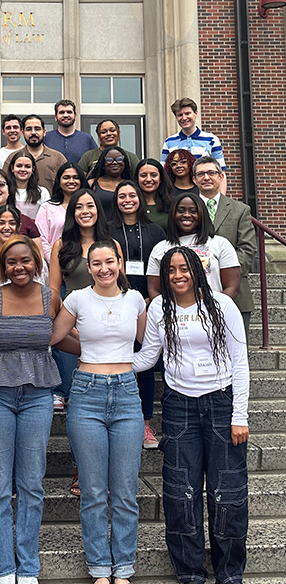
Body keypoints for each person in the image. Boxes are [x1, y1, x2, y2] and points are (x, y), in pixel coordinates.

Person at [133, 246, 249, 584]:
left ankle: (229, 573)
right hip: (179, 405)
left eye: (184, 268)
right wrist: (106, 360)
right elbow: (147, 358)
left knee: (227, 492)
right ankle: (190, 573)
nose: (178, 275)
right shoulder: (159, 308)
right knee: (179, 492)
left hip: (221, 403)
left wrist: (239, 414)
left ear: (197, 270)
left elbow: (239, 361)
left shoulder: (221, 304)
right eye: (171, 270)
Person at [0, 235, 72, 584]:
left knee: (32, 483)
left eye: (26, 261)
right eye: (12, 262)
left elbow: (64, 338)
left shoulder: (52, 298)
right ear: (4, 265)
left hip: (37, 397)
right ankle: (3, 568)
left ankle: (28, 566)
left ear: (37, 263)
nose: (20, 267)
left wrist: (106, 346)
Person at [50, 240, 147, 584]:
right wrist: (88, 349)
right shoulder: (77, 298)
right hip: (87, 393)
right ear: (88, 267)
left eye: (109, 261)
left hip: (126, 393)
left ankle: (123, 568)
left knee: (124, 491)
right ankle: (99, 569)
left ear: (120, 262)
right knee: (92, 491)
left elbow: (145, 341)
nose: (103, 268)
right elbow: (55, 336)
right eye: (96, 263)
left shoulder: (135, 299)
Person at [49, 189, 120, 442]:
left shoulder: (112, 245)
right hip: (72, 326)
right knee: (76, 397)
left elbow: (119, 291)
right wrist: (69, 327)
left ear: (98, 210)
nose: (85, 211)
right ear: (72, 213)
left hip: (106, 326)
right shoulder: (61, 245)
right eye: (79, 207)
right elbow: (54, 292)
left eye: (90, 206)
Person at [108, 181, 166, 448]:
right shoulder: (108, 230)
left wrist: (150, 298)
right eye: (122, 196)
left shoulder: (156, 231)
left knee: (144, 363)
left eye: (132, 195)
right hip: (116, 301)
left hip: (149, 302)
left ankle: (144, 425)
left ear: (140, 199)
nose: (127, 199)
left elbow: (161, 269)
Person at [194, 156, 257, 332]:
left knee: (235, 352)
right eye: (201, 174)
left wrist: (225, 274)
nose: (206, 177)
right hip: (192, 294)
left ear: (221, 176)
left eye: (211, 173)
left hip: (235, 295)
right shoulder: (185, 208)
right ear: (194, 179)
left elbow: (248, 248)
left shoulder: (240, 210)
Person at [147, 192, 240, 300]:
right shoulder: (160, 248)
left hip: (212, 312)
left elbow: (232, 287)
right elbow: (153, 289)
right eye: (180, 211)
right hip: (173, 314)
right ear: (172, 214)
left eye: (193, 211)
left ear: (202, 214)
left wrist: (214, 310)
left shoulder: (220, 244)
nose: (186, 215)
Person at [160, 98, 227, 196]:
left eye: (187, 113)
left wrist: (221, 200)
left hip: (205, 192)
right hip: (177, 193)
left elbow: (221, 173)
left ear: (195, 113)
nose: (184, 118)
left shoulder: (211, 139)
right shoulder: (169, 142)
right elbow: (164, 173)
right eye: (180, 115)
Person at [35, 162, 88, 263]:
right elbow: (42, 239)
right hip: (55, 262)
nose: (71, 181)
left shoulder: (89, 207)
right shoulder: (47, 207)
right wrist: (55, 262)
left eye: (76, 177)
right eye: (66, 177)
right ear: (59, 182)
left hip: (85, 264)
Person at [2, 115, 66, 192]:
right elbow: (4, 183)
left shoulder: (57, 157)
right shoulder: (13, 157)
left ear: (44, 132)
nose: (33, 132)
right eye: (29, 129)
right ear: (22, 132)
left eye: (37, 129)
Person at [88, 146, 132, 219]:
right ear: (103, 163)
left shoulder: (132, 185)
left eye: (119, 159)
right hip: (101, 229)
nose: (115, 162)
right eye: (109, 160)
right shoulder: (92, 184)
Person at [7, 150, 50, 220]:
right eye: (19, 166)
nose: (23, 169)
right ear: (12, 168)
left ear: (33, 169)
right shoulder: (5, 191)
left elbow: (46, 219)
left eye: (27, 166)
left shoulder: (42, 192)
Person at [135, 158, 174, 232]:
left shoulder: (172, 205)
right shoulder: (131, 204)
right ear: (137, 179)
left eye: (153, 175)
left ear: (160, 178)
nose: (149, 179)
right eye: (143, 175)